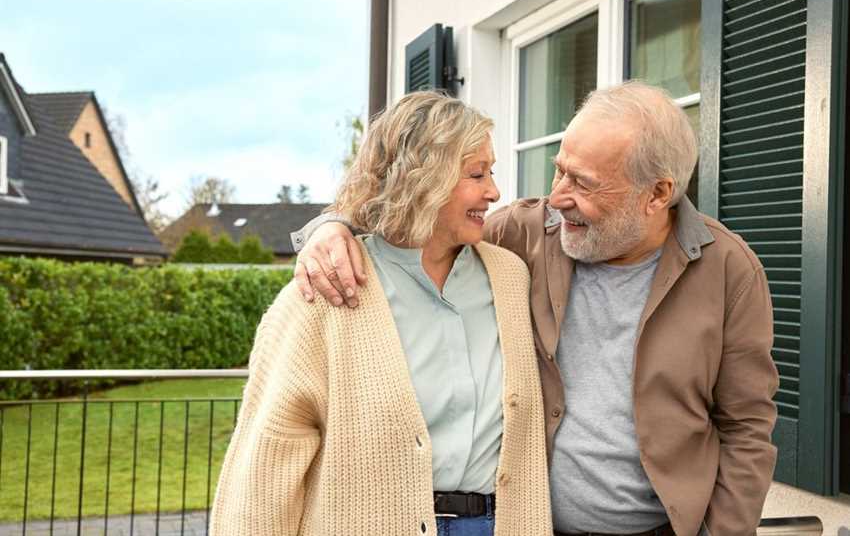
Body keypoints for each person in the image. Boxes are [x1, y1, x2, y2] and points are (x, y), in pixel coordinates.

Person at [292, 81, 779, 536]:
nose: (558, 196)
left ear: (657, 194)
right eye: (559, 169)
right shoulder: (521, 235)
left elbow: (747, 427)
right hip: (534, 525)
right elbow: (414, 211)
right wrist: (329, 226)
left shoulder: (729, 270)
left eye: (584, 184)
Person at [210, 91, 552, 536]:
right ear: (422, 178)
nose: (494, 191)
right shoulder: (327, 288)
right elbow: (269, 456)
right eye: (476, 174)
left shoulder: (509, 276)